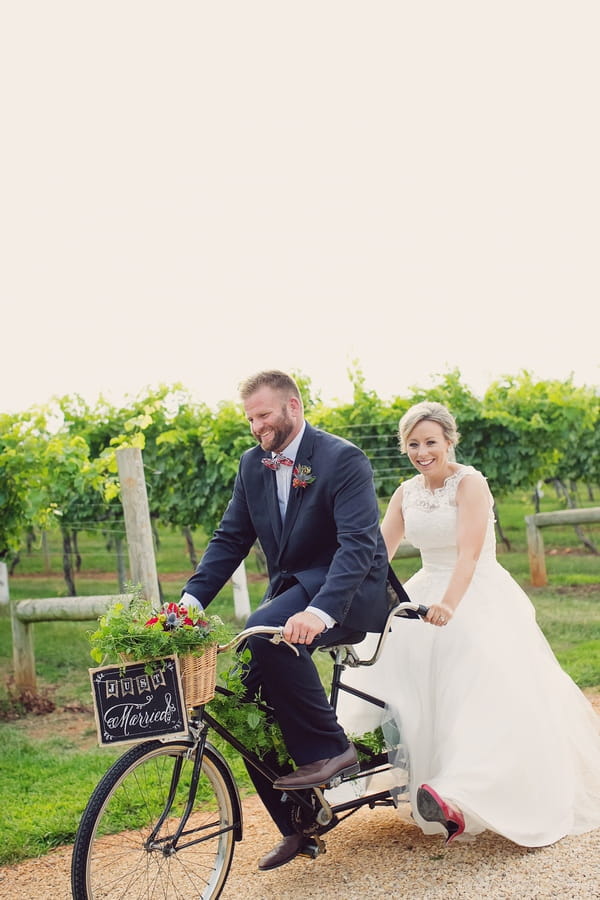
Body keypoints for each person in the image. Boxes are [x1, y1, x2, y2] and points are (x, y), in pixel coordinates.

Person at [338, 400, 600, 847]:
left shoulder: (470, 483)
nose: (422, 452)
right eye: (413, 444)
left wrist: (449, 606)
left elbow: (469, 555)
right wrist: (339, 594)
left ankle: (463, 790)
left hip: (473, 592)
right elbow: (377, 553)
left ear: (449, 441)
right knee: (384, 668)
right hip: (425, 593)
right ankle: (366, 772)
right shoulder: (406, 492)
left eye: (430, 442)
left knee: (475, 679)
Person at [180, 370, 392, 870]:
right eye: (250, 418)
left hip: (347, 592)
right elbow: (231, 538)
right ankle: (300, 823)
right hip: (293, 590)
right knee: (242, 703)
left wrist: (319, 612)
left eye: (264, 414)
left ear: (293, 407)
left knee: (266, 632)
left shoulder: (342, 458)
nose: (256, 426)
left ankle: (333, 750)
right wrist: (189, 604)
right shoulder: (252, 465)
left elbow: (358, 545)